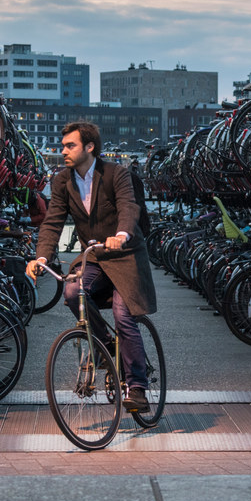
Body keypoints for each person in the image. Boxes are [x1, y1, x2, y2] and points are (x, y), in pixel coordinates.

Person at [26, 121, 158, 412]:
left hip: (126, 256)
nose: (63, 151)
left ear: (89, 147)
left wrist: (122, 235)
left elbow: (128, 207)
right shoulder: (62, 181)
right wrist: (42, 258)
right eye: (63, 146)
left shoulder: (116, 174)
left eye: (69, 146)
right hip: (95, 255)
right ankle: (105, 344)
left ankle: (137, 387)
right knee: (73, 292)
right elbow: (52, 222)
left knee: (124, 315)